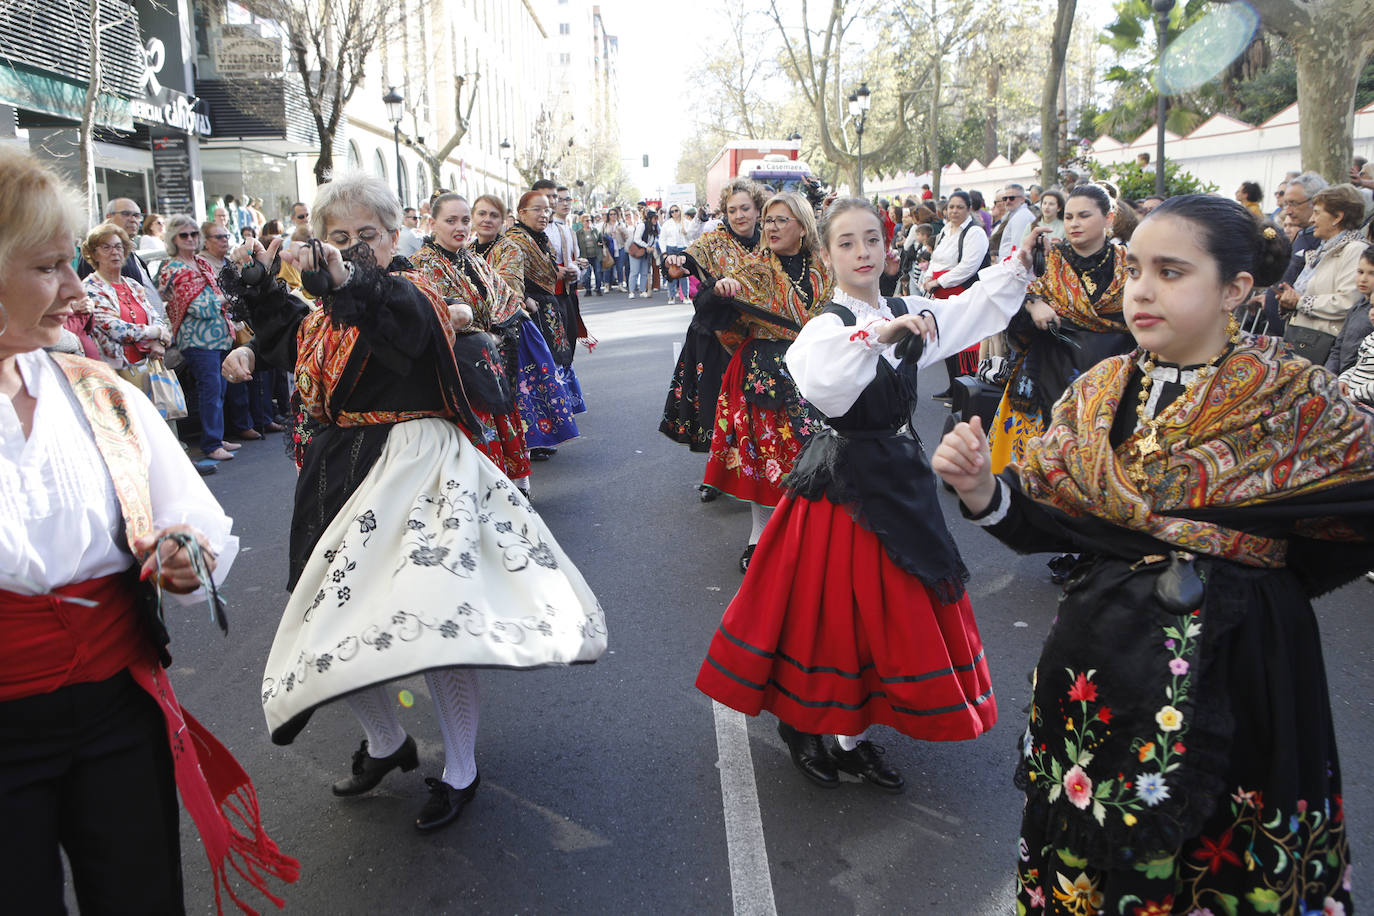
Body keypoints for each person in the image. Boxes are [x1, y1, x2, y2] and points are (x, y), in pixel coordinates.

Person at [933, 194, 1366, 916]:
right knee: (1095, 846)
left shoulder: (1295, 399)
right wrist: (982, 489)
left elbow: (1356, 509)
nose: (1141, 289)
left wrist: (1265, 578)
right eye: (1135, 269)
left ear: (1235, 290)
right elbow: (1056, 522)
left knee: (1220, 847)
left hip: (1242, 664)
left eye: (1171, 272)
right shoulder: (1097, 392)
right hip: (1104, 659)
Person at [224, 173, 606, 833]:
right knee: (334, 621)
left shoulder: (416, 292)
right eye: (336, 237)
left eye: (364, 235)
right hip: (337, 475)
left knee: (436, 626)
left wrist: (347, 280)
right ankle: (385, 742)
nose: (351, 248)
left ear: (393, 235)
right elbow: (297, 335)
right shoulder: (324, 312)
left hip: (416, 473)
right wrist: (258, 303)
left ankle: (461, 767)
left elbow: (396, 323)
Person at [0, 153, 296, 915]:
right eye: (47, 267)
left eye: (72, 265)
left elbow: (191, 518)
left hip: (113, 714)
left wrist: (181, 552)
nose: (73, 291)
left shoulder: (94, 393)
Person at [696, 198, 1043, 791]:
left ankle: (853, 739)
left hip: (899, 479)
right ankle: (804, 726)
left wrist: (1019, 262)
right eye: (848, 243)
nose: (863, 253)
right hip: (842, 488)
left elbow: (970, 311)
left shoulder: (909, 309)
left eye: (873, 241)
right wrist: (878, 334)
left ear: (888, 248)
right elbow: (822, 378)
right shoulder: (824, 327)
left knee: (890, 617)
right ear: (827, 255)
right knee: (827, 618)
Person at [684, 191, 834, 570]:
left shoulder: (824, 265)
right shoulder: (753, 269)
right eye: (767, 220)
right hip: (766, 374)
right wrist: (719, 292)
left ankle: (814, 535)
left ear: (802, 225)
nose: (770, 227)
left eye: (781, 220)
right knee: (768, 457)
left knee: (818, 455)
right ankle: (759, 537)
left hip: (818, 369)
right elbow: (711, 313)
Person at [987, 183, 1133, 475]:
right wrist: (1031, 305)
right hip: (1045, 374)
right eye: (1069, 217)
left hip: (1110, 382)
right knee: (1029, 479)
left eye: (1084, 216)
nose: (1074, 223)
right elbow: (1012, 321)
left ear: (1109, 218)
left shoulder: (1128, 265)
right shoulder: (1047, 260)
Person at [409, 193, 531, 494]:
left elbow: (504, 297)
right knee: (469, 432)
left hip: (488, 356)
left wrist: (495, 330)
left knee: (499, 422)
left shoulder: (474, 259)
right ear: (432, 222)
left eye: (464, 220)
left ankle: (509, 488)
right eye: (451, 220)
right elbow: (430, 318)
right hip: (453, 365)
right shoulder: (419, 266)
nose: (460, 227)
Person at [660, 178, 766, 460]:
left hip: (757, 338)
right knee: (715, 407)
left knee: (755, 406)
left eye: (745, 208)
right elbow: (684, 261)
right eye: (732, 210)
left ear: (758, 210)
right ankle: (715, 474)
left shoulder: (770, 242)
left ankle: (751, 467)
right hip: (714, 337)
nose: (739, 216)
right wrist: (675, 264)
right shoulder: (713, 242)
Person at [481, 192, 583, 460]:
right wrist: (524, 298)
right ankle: (525, 439)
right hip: (519, 316)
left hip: (540, 309)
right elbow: (510, 283)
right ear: (521, 212)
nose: (543, 214)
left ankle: (538, 435)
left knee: (539, 375)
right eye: (537, 209)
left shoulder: (532, 240)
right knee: (525, 379)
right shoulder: (515, 241)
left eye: (546, 210)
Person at [158, 215, 239, 461]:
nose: (191, 239)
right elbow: (200, 307)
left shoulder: (201, 264)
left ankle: (217, 436)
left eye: (194, 234)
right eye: (184, 235)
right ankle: (212, 443)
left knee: (220, 389)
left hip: (220, 337)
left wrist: (225, 298)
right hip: (197, 340)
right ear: (173, 239)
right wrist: (227, 298)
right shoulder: (172, 269)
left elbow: (217, 297)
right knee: (211, 391)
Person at [1280, 183, 1368, 365]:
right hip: (1302, 339)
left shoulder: (1355, 250)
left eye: (1317, 213)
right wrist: (1289, 301)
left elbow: (1348, 302)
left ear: (1337, 217)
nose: (1312, 220)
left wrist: (1300, 302)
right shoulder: (1323, 249)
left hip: (1323, 347)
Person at [79, 223, 172, 373]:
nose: (114, 252)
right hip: (116, 372)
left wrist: (158, 341)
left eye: (118, 246)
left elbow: (155, 316)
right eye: (106, 247)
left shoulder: (132, 284)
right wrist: (157, 332)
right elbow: (116, 329)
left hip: (149, 368)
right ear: (94, 254)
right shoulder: (90, 287)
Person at [923, 191, 989, 399]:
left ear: (969, 209)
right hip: (941, 293)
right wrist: (928, 277)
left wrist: (939, 281)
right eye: (951, 207)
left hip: (962, 291)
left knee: (963, 343)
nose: (954, 211)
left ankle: (964, 391)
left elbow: (968, 266)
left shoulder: (974, 233)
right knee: (947, 341)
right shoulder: (944, 231)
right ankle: (953, 387)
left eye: (959, 207)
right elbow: (935, 259)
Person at [1327, 245, 1374, 378]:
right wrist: (1329, 375)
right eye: (1360, 272)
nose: (1363, 279)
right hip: (1340, 378)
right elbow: (1338, 347)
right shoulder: (1357, 306)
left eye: (1372, 273)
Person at [995, 184, 1037, 261]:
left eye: (1012, 198)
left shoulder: (1022, 216)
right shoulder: (1014, 214)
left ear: (1022, 199)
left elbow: (1018, 248)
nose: (1007, 201)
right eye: (1005, 198)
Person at [659, 205, 692, 304]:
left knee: (684, 272)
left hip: (683, 248)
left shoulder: (686, 223)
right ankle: (671, 296)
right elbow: (662, 238)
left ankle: (685, 296)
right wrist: (664, 252)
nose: (674, 213)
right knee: (672, 272)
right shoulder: (667, 224)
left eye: (676, 211)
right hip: (671, 248)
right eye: (672, 212)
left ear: (680, 211)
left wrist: (686, 232)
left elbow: (693, 236)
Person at [629, 209, 659, 299]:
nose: (656, 220)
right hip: (637, 251)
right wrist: (647, 246)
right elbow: (636, 239)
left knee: (644, 272)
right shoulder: (642, 225)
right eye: (654, 218)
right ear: (649, 218)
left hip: (646, 252)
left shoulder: (655, 227)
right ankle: (631, 291)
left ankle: (642, 290)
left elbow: (656, 238)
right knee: (634, 272)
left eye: (656, 218)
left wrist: (652, 247)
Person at [576, 214, 604, 296]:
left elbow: (600, 240)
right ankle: (588, 289)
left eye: (590, 220)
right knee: (587, 274)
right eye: (586, 220)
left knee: (598, 272)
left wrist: (601, 243)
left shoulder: (595, 230)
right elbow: (576, 245)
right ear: (582, 222)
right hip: (585, 256)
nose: (589, 222)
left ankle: (598, 288)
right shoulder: (579, 233)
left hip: (596, 255)